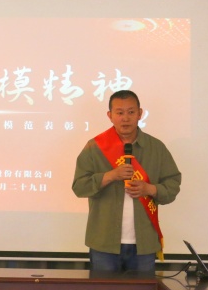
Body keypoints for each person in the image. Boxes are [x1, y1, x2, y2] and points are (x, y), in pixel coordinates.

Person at [72, 90, 181, 273]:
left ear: (140, 113)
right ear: (110, 115)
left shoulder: (156, 148)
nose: (125, 118)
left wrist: (150, 189)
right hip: (104, 242)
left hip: (144, 243)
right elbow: (79, 187)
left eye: (131, 112)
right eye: (119, 112)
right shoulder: (95, 147)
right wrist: (110, 176)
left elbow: (173, 184)